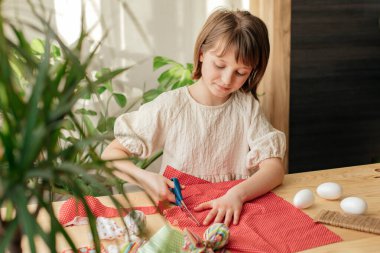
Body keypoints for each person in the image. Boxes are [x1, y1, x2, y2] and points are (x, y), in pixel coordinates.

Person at [101, 8, 286, 227]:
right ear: (201, 53)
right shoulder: (171, 106)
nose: (227, 79)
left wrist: (238, 194)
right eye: (219, 65)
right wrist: (145, 177)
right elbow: (110, 156)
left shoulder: (247, 107)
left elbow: (274, 170)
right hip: (180, 216)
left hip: (229, 214)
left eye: (241, 72)